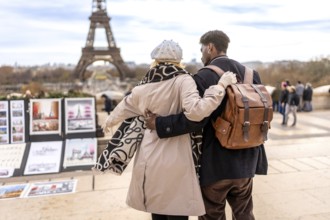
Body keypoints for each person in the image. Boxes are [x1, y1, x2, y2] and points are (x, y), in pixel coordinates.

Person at [101, 39, 237, 220]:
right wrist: (220, 86)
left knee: (157, 212)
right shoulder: (184, 80)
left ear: (155, 60)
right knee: (176, 211)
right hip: (176, 157)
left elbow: (123, 107)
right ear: (179, 60)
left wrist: (108, 122)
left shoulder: (142, 86)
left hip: (148, 158)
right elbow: (197, 112)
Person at [145, 30, 268, 220]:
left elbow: (194, 119)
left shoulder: (204, 77)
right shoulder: (251, 74)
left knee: (212, 216)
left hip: (215, 164)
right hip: (247, 161)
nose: (202, 54)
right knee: (244, 214)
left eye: (202, 49)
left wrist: (159, 124)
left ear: (210, 47)